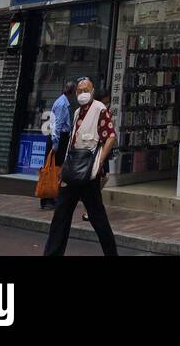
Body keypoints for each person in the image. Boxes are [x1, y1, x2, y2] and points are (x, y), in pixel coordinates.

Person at [43, 77, 118, 257]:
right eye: (80, 90)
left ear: (92, 91)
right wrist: (64, 167)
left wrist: (99, 162)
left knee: (98, 217)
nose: (83, 93)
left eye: (86, 90)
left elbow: (111, 136)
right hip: (72, 169)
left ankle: (111, 253)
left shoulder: (99, 109)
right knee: (61, 215)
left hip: (88, 172)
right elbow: (72, 141)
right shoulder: (76, 112)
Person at [40, 80, 77, 210]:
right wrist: (56, 145)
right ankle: (48, 197)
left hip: (59, 139)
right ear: (72, 91)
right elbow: (58, 126)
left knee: (54, 168)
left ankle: (51, 197)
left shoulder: (62, 101)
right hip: (59, 139)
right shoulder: (62, 104)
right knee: (53, 168)